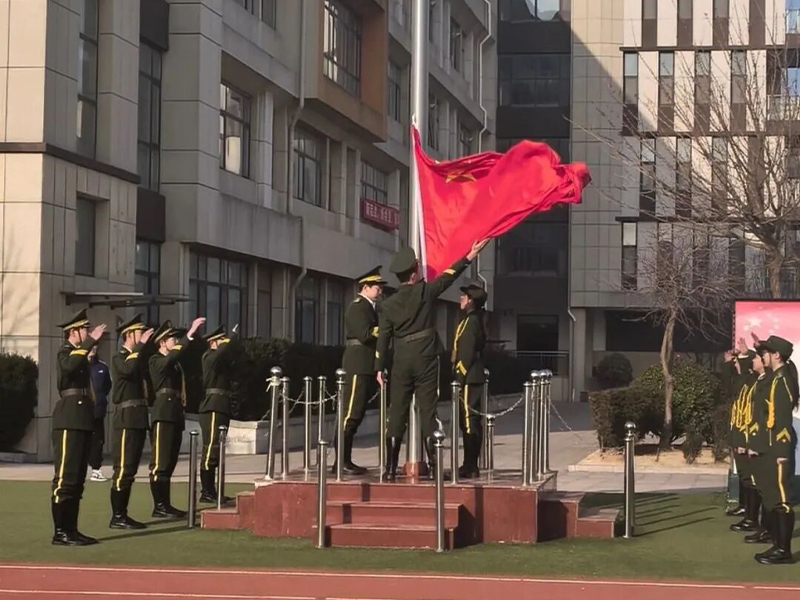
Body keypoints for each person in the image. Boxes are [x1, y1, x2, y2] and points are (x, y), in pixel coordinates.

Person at [376, 239, 490, 482]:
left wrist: (379, 367)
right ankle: (435, 466)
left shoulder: (388, 305)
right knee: (428, 412)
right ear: (414, 272)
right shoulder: (425, 291)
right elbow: (449, 276)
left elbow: (383, 338)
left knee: (397, 413)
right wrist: (469, 255)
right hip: (426, 358)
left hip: (401, 360)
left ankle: (389, 468)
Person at [51, 309, 107, 546]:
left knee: (77, 480)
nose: (88, 332)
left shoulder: (82, 356)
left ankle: (71, 529)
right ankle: (61, 532)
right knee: (65, 478)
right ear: (73, 332)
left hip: (83, 418)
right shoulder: (64, 352)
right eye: (84, 329)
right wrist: (90, 341)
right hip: (69, 418)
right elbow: (69, 367)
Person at [148, 317, 205, 518]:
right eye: (172, 339)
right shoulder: (156, 360)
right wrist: (189, 335)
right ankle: (159, 505)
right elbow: (170, 359)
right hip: (163, 413)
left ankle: (166, 504)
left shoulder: (175, 364)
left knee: (170, 461)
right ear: (162, 342)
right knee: (161, 462)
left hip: (174, 413)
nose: (176, 341)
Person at [749, 336, 797, 565]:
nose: (763, 355)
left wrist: (781, 451)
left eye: (767, 352)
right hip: (767, 446)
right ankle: (777, 545)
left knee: (781, 500)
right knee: (771, 497)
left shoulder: (782, 379)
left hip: (777, 449)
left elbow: (783, 419)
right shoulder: (774, 378)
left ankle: (783, 550)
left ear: (777, 355)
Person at [336, 266, 386, 476]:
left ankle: (345, 459)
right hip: (357, 364)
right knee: (351, 413)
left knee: (357, 413)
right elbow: (365, 334)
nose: (380, 290)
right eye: (376, 286)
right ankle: (341, 460)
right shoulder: (357, 307)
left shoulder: (373, 308)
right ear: (365, 287)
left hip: (367, 364)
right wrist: (386, 329)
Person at [109, 314, 154, 529]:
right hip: (126, 418)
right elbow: (127, 370)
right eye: (139, 332)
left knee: (132, 469)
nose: (142, 336)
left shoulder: (136, 357)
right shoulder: (119, 357)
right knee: (123, 469)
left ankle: (123, 513)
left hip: (138, 418)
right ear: (129, 334)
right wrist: (141, 346)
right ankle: (117, 516)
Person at [452, 283, 488, 479]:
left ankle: (470, 464)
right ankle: (470, 463)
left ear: (471, 301)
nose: (461, 299)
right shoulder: (472, 319)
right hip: (472, 376)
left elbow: (466, 352)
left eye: (464, 297)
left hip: (469, 376)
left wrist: (459, 377)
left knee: (468, 421)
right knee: (469, 420)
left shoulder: (471, 321)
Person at [200, 324, 239, 503]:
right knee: (210, 449)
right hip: (213, 406)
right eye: (220, 340)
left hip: (221, 405)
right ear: (213, 342)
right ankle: (206, 491)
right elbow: (221, 353)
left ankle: (212, 490)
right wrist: (231, 337)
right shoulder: (209, 357)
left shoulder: (220, 360)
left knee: (217, 449)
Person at [88, 345, 112, 482]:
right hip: (83, 410)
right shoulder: (79, 365)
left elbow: (107, 386)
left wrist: (100, 399)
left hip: (98, 410)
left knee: (98, 440)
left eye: (95, 345)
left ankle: (96, 470)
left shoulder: (102, 367)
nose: (93, 348)